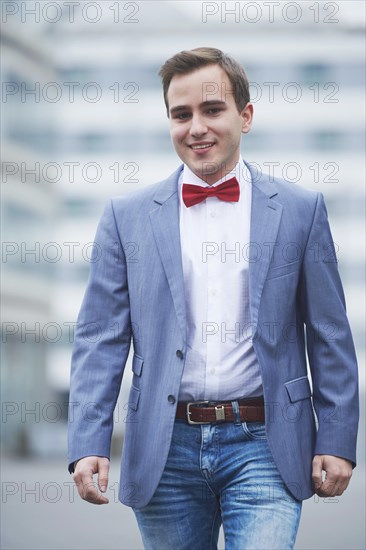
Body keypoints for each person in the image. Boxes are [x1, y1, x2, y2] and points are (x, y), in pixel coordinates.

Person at [68, 47, 359, 549]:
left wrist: (336, 438)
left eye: (212, 110)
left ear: (245, 116)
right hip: (165, 446)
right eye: (181, 114)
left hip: (266, 444)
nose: (196, 127)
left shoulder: (300, 211)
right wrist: (88, 440)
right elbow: (100, 338)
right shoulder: (126, 217)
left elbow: (329, 333)